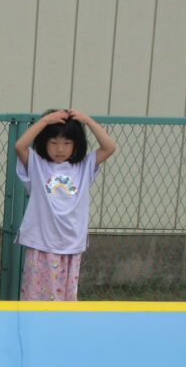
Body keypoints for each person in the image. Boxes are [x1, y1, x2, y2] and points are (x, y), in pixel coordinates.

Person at [13, 109, 116, 301]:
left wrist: (87, 121)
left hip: (71, 244)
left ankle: (61, 321)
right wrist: (44, 121)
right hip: (42, 243)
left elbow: (109, 147)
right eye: (53, 143)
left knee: (66, 298)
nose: (60, 149)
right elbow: (20, 146)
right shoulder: (37, 164)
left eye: (67, 143)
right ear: (44, 142)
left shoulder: (84, 166)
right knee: (36, 296)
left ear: (76, 144)